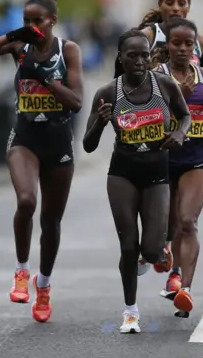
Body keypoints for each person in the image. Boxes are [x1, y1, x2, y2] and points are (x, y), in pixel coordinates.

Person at [0, 0, 84, 323]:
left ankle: (43, 285)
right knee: (27, 201)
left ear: (53, 21)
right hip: (25, 138)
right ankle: (21, 271)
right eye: (26, 21)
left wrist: (45, 78)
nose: (33, 27)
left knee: (51, 220)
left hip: (59, 141)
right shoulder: (20, 47)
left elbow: (75, 102)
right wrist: (12, 36)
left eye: (38, 21)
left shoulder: (68, 50)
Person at [82, 29, 191, 334]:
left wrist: (180, 135)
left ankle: (158, 252)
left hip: (157, 173)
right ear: (120, 58)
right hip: (122, 174)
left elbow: (185, 117)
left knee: (153, 251)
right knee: (128, 245)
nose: (141, 60)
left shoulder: (165, 86)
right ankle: (130, 312)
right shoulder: (107, 93)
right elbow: (88, 145)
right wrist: (100, 123)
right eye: (133, 55)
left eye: (145, 54)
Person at [150, 17, 203, 317]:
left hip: (196, 153)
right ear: (167, 46)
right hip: (164, 154)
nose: (182, 49)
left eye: (188, 44)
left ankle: (186, 289)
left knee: (188, 221)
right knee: (166, 228)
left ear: (195, 46)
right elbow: (150, 109)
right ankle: (167, 259)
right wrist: (177, 93)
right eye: (176, 43)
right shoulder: (157, 75)